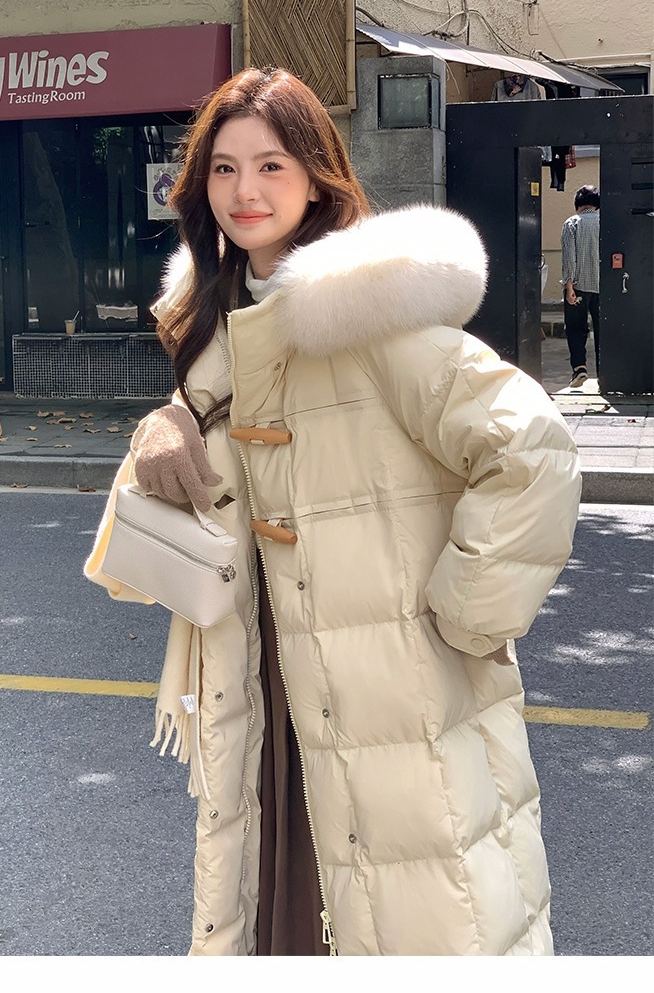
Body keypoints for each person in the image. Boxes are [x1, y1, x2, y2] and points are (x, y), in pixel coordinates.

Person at [85, 68, 581, 956]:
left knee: (415, 914)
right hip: (268, 677)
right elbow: (213, 474)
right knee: (283, 908)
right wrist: (167, 421)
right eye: (224, 168)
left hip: (388, 686)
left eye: (271, 165)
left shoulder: (373, 315)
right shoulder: (218, 323)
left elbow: (531, 447)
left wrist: (465, 616)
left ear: (316, 177)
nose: (245, 190)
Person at [561, 184, 600, 388]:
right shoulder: (606, 222)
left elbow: (569, 258)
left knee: (576, 329)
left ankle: (579, 369)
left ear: (578, 203)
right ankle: (605, 372)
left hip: (578, 287)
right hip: (603, 287)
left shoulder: (572, 223)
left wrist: (569, 287)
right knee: (603, 330)